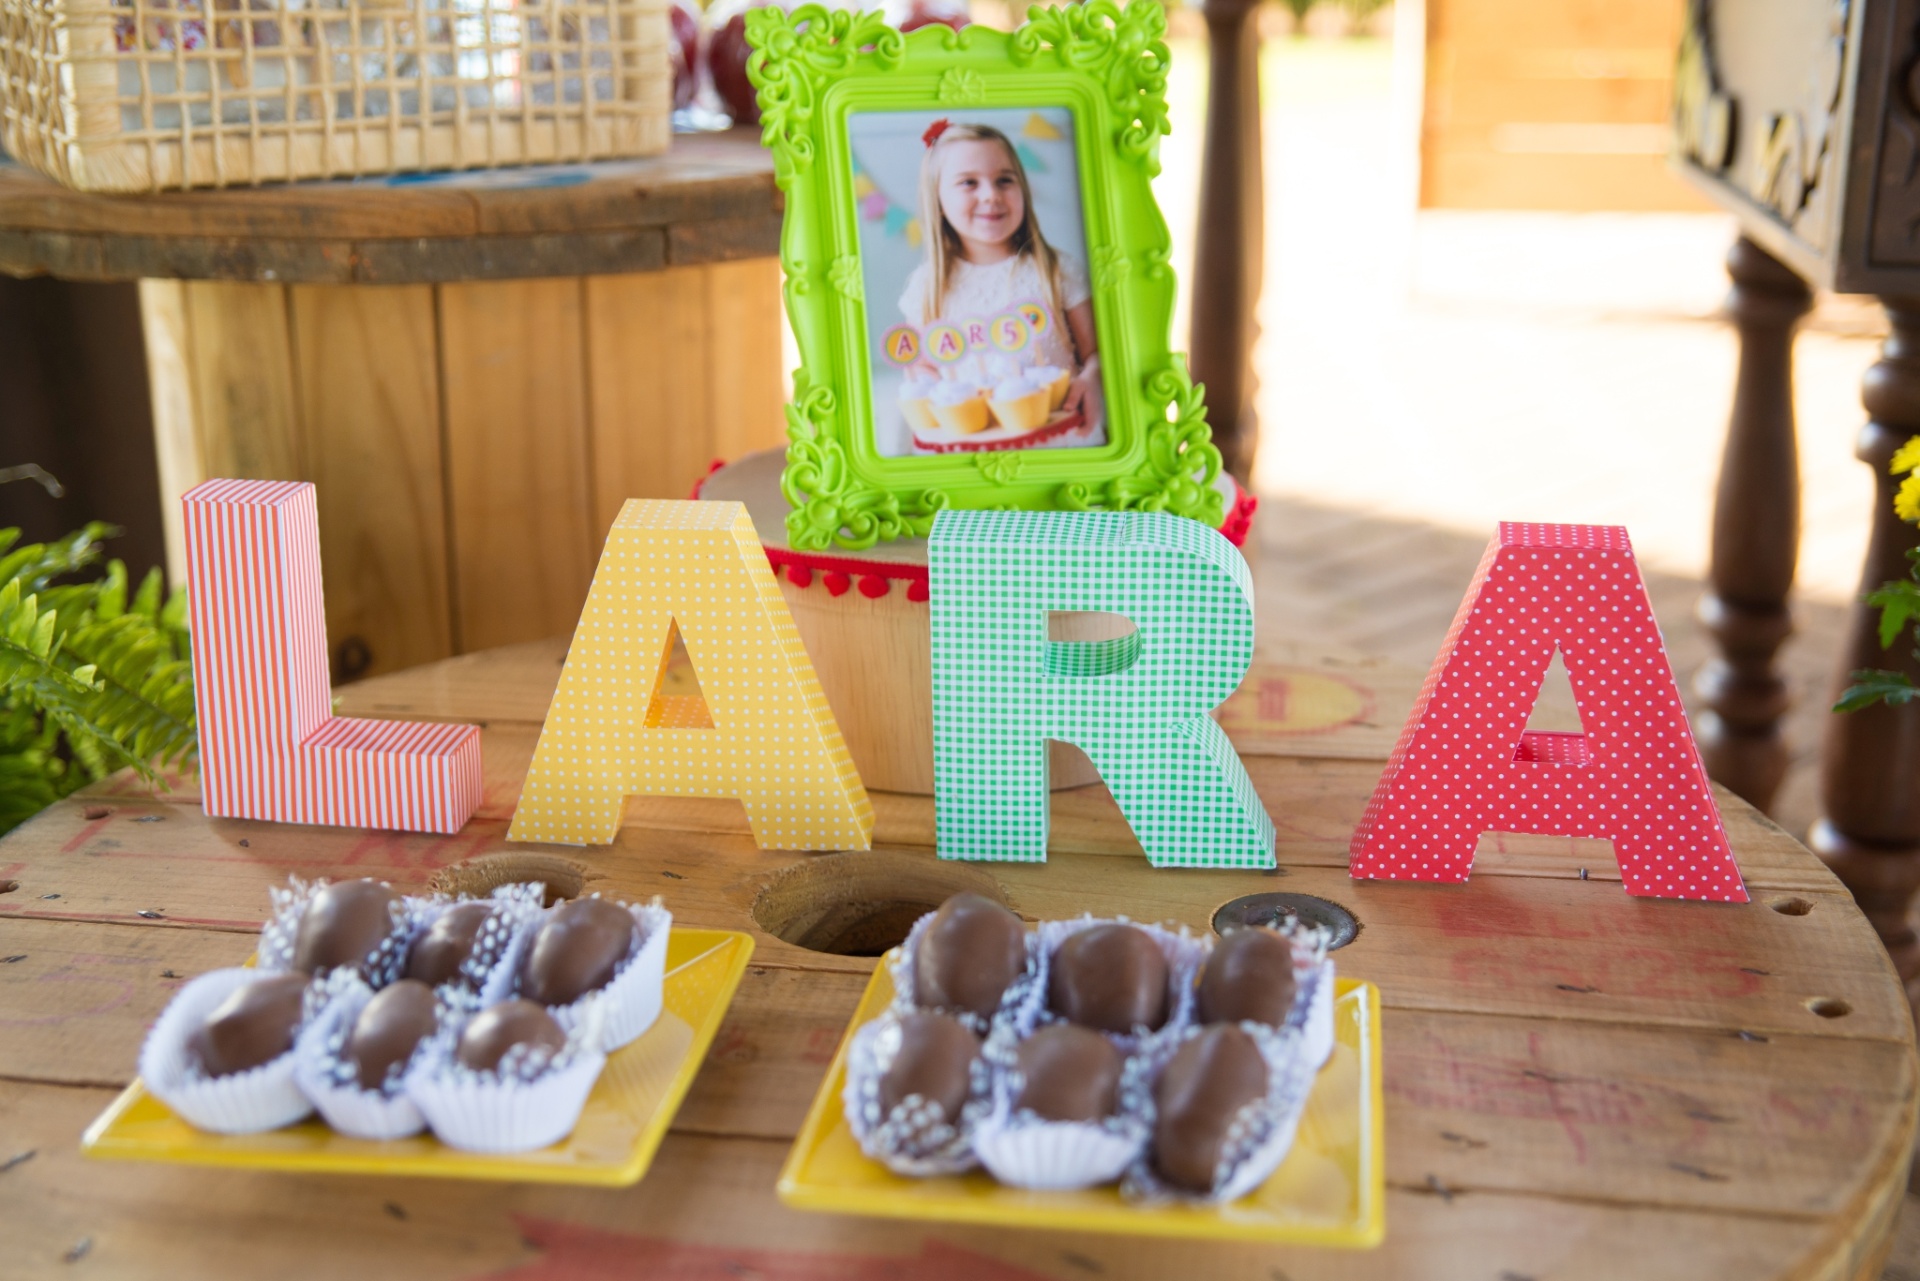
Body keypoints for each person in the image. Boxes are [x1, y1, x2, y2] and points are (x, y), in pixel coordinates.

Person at [898, 120, 1099, 424]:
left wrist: (1093, 376)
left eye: (1004, 180)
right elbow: (923, 368)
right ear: (938, 200)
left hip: (1060, 432)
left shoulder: (1057, 270)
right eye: (969, 182)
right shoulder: (926, 287)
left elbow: (1097, 352)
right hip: (975, 442)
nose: (991, 195)